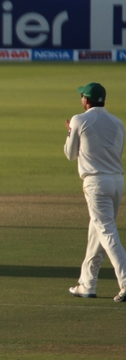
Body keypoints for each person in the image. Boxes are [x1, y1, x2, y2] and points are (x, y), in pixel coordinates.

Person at [64, 83, 126, 302]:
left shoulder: (79, 119)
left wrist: (69, 132)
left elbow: (70, 154)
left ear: (86, 100)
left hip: (96, 183)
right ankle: (87, 284)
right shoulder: (118, 123)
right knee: (97, 231)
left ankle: (125, 281)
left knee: (106, 232)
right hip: (117, 181)